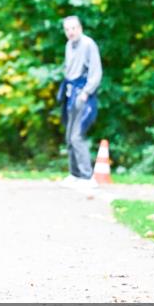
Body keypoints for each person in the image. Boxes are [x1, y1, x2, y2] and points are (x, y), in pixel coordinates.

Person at [56, 15, 102, 188]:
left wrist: (86, 92)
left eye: (73, 28)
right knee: (69, 137)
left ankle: (87, 177)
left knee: (77, 135)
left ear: (80, 28)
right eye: (67, 29)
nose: (70, 32)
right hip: (71, 94)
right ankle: (74, 174)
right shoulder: (69, 45)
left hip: (83, 94)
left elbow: (96, 72)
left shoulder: (89, 44)